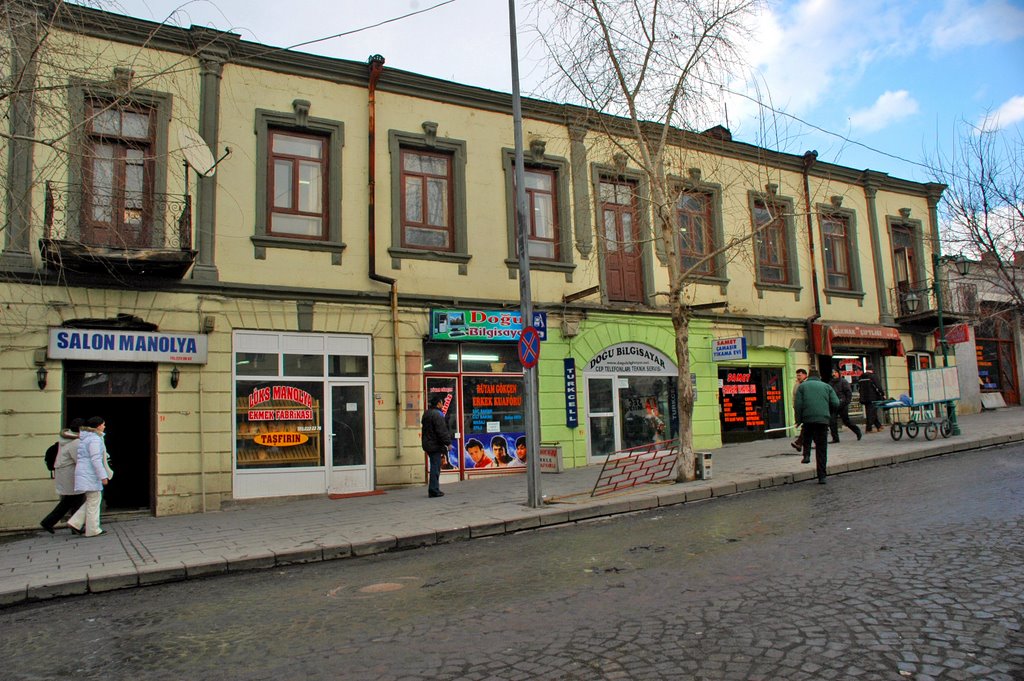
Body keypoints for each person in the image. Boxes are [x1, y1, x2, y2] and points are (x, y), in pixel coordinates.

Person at [39, 418, 86, 534]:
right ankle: (76, 526)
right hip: (70, 474)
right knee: (78, 498)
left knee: (69, 500)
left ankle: (48, 522)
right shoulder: (75, 442)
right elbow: (79, 460)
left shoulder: (66, 438)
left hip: (65, 473)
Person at [67, 416, 110, 537]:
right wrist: (103, 476)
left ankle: (75, 522)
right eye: (103, 424)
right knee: (94, 500)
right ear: (98, 426)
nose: (104, 426)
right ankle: (93, 529)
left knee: (92, 499)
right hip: (90, 474)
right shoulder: (94, 439)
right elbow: (96, 459)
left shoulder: (86, 438)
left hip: (85, 472)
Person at [795, 370, 840, 484]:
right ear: (819, 377)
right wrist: (828, 413)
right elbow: (836, 403)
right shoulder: (827, 386)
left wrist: (798, 420)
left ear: (808, 376)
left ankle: (806, 455)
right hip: (823, 420)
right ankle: (822, 476)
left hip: (808, 419)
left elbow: (798, 405)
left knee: (807, 435)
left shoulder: (802, 387)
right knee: (821, 448)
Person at [420, 396, 452, 498]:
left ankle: (434, 489)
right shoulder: (438, 415)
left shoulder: (427, 413)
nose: (442, 405)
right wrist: (448, 443)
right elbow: (441, 430)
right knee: (435, 467)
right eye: (442, 403)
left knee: (434, 465)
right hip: (434, 444)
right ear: (438, 403)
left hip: (427, 443)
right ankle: (434, 490)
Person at [829, 370, 863, 443]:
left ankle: (857, 431)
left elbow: (848, 392)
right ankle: (835, 438)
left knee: (846, 421)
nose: (834, 374)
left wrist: (847, 402)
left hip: (842, 404)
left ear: (838, 374)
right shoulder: (831, 383)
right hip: (834, 404)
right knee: (832, 422)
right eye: (833, 373)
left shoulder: (843, 381)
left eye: (835, 372)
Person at [857, 366, 885, 432]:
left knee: (870, 412)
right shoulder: (873, 376)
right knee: (871, 413)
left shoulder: (861, 377)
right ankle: (868, 428)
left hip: (864, 397)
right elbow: (878, 387)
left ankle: (879, 426)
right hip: (873, 397)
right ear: (872, 369)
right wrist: (882, 394)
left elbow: (859, 387)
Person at [790, 368, 808, 451]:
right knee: (808, 428)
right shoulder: (797, 384)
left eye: (799, 375)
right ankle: (800, 443)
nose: (798, 377)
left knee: (807, 427)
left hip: (807, 409)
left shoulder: (807, 384)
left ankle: (799, 443)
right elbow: (795, 397)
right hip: (800, 409)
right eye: (797, 375)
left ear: (805, 375)